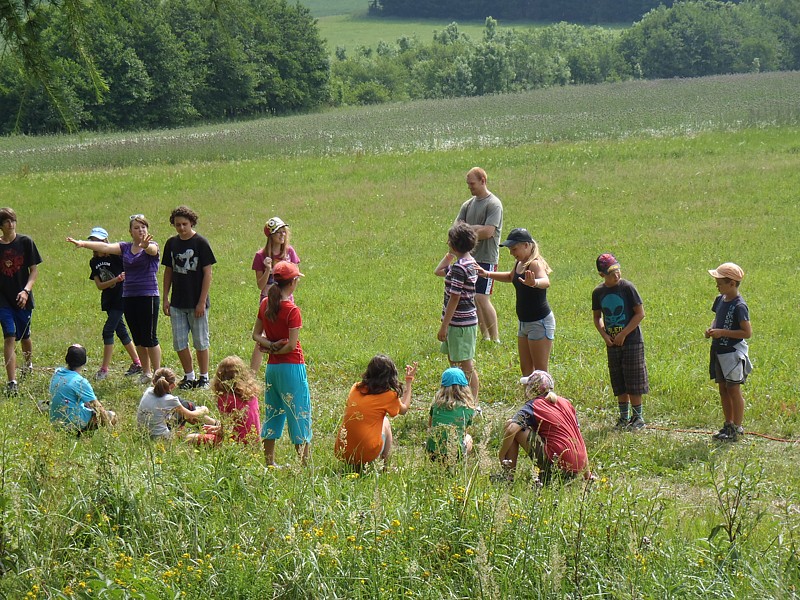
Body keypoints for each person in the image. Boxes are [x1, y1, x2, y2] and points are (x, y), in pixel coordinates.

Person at [68, 214, 162, 384]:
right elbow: (104, 247)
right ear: (130, 231)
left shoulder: (152, 245)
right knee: (138, 337)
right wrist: (83, 244)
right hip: (129, 296)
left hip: (148, 296)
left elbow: (152, 251)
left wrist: (146, 245)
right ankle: (146, 373)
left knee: (150, 338)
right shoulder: (125, 247)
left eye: (143, 227)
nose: (140, 230)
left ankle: (158, 374)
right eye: (136, 227)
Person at [251, 261, 311, 467]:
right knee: (299, 413)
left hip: (272, 369)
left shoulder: (265, 303)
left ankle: (269, 462)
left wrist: (269, 347)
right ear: (293, 282)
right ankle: (304, 465)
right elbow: (292, 346)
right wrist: (276, 347)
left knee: (273, 412)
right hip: (292, 369)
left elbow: (255, 335)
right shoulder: (292, 310)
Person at [478, 227, 554, 375]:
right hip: (524, 323)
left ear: (526, 245)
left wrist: (534, 283)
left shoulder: (534, 264)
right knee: (526, 371)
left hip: (539, 322)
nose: (511, 253)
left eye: (514, 249)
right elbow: (509, 277)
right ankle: (530, 398)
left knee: (540, 373)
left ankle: (544, 398)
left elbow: (546, 281)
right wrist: (486, 274)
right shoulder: (520, 263)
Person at [498, 370, 590, 484]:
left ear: (531, 389)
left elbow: (512, 429)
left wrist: (501, 454)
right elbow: (578, 439)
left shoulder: (533, 405)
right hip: (578, 469)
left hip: (557, 466)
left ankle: (508, 477)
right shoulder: (566, 403)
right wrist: (587, 474)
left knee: (511, 424)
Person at [591, 253, 649, 431]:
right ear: (602, 275)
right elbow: (597, 317)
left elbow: (640, 314)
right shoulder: (598, 292)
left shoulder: (627, 288)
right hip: (612, 343)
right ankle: (624, 417)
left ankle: (638, 418)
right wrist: (604, 335)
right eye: (610, 273)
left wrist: (624, 333)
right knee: (619, 379)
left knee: (634, 379)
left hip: (631, 340)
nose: (616, 275)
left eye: (617, 270)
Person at [162, 206, 217, 390]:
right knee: (179, 342)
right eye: (177, 224)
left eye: (185, 224)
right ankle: (189, 375)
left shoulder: (201, 243)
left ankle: (204, 376)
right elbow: (168, 271)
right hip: (177, 302)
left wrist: (202, 301)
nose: (181, 228)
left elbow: (208, 273)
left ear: (191, 222)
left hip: (196, 302)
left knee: (200, 341)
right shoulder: (171, 244)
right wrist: (165, 298)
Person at [334, 354, 417, 470]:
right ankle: (384, 466)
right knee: (386, 422)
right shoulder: (389, 396)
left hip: (343, 452)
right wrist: (409, 381)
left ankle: (354, 465)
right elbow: (404, 409)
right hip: (367, 454)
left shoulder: (355, 387)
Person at [85, 226, 142, 380]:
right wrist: (115, 280)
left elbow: (131, 264)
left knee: (107, 331)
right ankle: (138, 363)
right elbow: (99, 285)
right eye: (93, 241)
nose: (95, 244)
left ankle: (104, 369)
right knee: (121, 331)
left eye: (98, 241)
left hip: (121, 297)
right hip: (109, 300)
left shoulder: (117, 256)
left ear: (105, 241)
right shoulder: (94, 262)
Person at [705, 262, 752, 442]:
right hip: (718, 351)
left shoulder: (740, 306)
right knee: (723, 389)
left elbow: (747, 333)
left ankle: (737, 428)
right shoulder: (719, 300)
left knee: (733, 389)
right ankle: (728, 423)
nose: (717, 285)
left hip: (732, 353)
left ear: (732, 284)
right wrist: (711, 330)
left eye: (720, 282)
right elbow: (717, 319)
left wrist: (722, 333)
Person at [455, 167, 503, 343]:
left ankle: (495, 338)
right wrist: (474, 229)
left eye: (472, 183)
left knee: (482, 297)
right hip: (469, 259)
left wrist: (470, 229)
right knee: (475, 299)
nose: (470, 187)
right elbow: (456, 229)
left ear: (483, 181)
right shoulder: (467, 205)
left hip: (486, 259)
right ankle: (486, 337)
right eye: (468, 184)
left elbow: (488, 232)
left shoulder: (494, 204)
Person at [435, 222, 480, 401]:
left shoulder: (460, 268)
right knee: (454, 363)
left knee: (466, 366)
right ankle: (460, 397)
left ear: (454, 243)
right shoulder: (467, 263)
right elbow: (438, 271)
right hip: (460, 322)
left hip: (460, 324)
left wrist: (444, 326)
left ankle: (473, 402)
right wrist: (449, 256)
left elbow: (455, 297)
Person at [0, 207, 42, 396]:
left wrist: (26, 291)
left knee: (25, 336)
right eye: (7, 221)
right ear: (1, 226)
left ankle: (28, 364)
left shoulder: (26, 242)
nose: (11, 224)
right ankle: (12, 382)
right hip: (3, 300)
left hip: (22, 298)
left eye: (13, 220)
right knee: (9, 335)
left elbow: (33, 270)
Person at [250, 216, 300, 372]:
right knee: (263, 337)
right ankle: (252, 373)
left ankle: (285, 364)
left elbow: (295, 275)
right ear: (270, 235)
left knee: (289, 334)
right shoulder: (261, 256)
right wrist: (267, 269)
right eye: (278, 232)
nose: (282, 235)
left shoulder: (290, 252)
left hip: (287, 299)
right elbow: (260, 285)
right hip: (268, 300)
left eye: (283, 231)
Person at [136, 367, 219, 443]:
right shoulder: (170, 400)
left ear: (153, 382)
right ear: (173, 385)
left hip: (145, 433)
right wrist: (202, 410)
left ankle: (212, 425)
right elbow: (189, 415)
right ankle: (213, 426)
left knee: (183, 403)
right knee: (189, 409)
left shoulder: (148, 391)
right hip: (163, 439)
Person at [49, 344, 117, 434]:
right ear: (84, 362)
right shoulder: (80, 382)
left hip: (55, 421)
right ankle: (83, 433)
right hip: (73, 423)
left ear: (66, 359)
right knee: (112, 415)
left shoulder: (57, 372)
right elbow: (98, 407)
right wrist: (109, 426)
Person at [426, 367, 476, 463]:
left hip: (433, 452)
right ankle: (461, 461)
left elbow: (430, 425)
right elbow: (464, 431)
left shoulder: (436, 405)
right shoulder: (468, 409)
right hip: (454, 454)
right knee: (468, 438)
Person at [211, 355, 262, 444]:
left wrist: (215, 431)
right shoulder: (252, 394)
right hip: (255, 440)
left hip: (236, 442)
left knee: (191, 437)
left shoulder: (224, 398)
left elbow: (225, 429)